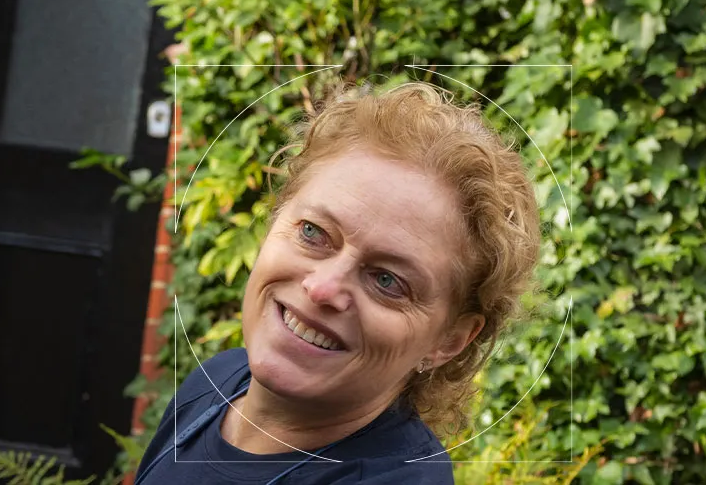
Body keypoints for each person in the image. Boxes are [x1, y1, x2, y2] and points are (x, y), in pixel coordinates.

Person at [134, 82, 542, 484]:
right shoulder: (218, 380)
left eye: (387, 280)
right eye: (313, 233)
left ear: (450, 340)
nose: (322, 288)